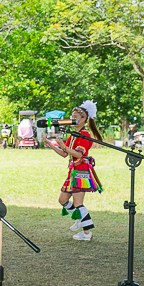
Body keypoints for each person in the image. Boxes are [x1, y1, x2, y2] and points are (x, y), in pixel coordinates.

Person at [48, 100, 103, 242]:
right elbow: (65, 153)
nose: (72, 119)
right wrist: (52, 145)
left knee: (78, 203)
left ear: (84, 119)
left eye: (75, 116)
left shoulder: (85, 135)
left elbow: (78, 154)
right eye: (72, 116)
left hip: (81, 172)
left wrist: (63, 146)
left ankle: (87, 233)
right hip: (73, 171)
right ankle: (79, 219)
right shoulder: (73, 134)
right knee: (62, 199)